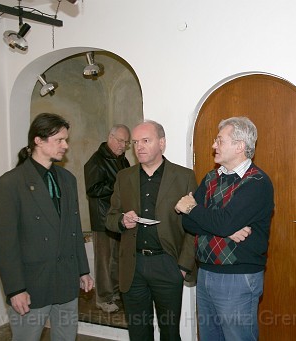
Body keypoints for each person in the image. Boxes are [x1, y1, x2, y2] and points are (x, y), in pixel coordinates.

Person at [0, 113, 94, 341]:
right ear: (38, 140)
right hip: (32, 285)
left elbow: (73, 229)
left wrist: (82, 270)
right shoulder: (9, 184)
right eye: (59, 140)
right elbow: (5, 244)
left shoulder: (67, 179)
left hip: (66, 281)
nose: (65, 146)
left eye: (66, 140)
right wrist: (15, 289)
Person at [175, 116, 274, 341]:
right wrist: (224, 228)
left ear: (240, 146)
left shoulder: (257, 182)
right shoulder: (211, 177)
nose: (213, 146)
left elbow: (219, 221)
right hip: (206, 272)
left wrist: (199, 212)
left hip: (238, 277)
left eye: (220, 141)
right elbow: (188, 223)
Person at [106, 120, 197, 341]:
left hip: (167, 264)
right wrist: (122, 221)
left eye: (146, 141)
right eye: (136, 142)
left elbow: (194, 226)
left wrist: (183, 267)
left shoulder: (184, 177)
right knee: (138, 333)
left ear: (162, 143)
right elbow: (110, 218)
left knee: (169, 333)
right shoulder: (124, 177)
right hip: (133, 266)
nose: (139, 147)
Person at [84, 124, 131, 313]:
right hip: (103, 218)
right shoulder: (96, 161)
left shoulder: (122, 160)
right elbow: (93, 190)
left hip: (119, 217)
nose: (123, 145)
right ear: (110, 138)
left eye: (126, 143)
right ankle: (103, 298)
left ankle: (116, 291)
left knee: (118, 258)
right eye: (120, 141)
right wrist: (117, 187)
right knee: (104, 260)